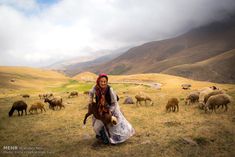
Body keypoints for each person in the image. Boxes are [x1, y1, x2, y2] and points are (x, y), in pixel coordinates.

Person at [89, 73, 135, 144]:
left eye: (105, 82)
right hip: (100, 111)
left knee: (114, 126)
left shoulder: (110, 90)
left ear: (107, 82)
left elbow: (114, 103)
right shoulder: (95, 89)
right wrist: (91, 102)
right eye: (101, 81)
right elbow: (91, 94)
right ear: (98, 81)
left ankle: (116, 139)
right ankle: (103, 138)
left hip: (111, 110)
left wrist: (109, 111)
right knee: (96, 127)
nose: (103, 83)